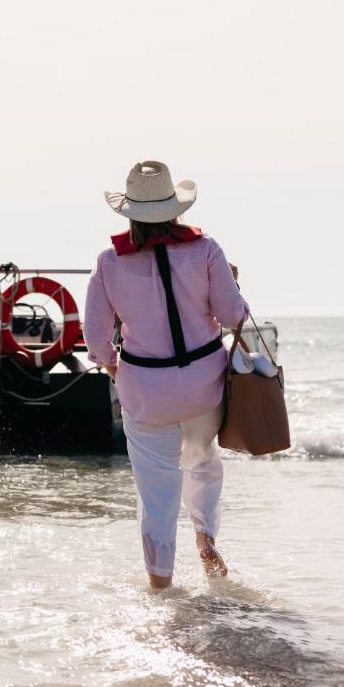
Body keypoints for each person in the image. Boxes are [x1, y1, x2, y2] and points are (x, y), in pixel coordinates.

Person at [83, 161, 248, 589]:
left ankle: (161, 582)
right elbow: (233, 316)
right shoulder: (206, 249)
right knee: (203, 463)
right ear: (176, 209)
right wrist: (233, 283)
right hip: (204, 388)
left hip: (146, 392)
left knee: (156, 492)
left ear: (130, 214)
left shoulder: (108, 262)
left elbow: (96, 339)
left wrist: (113, 365)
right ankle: (205, 537)